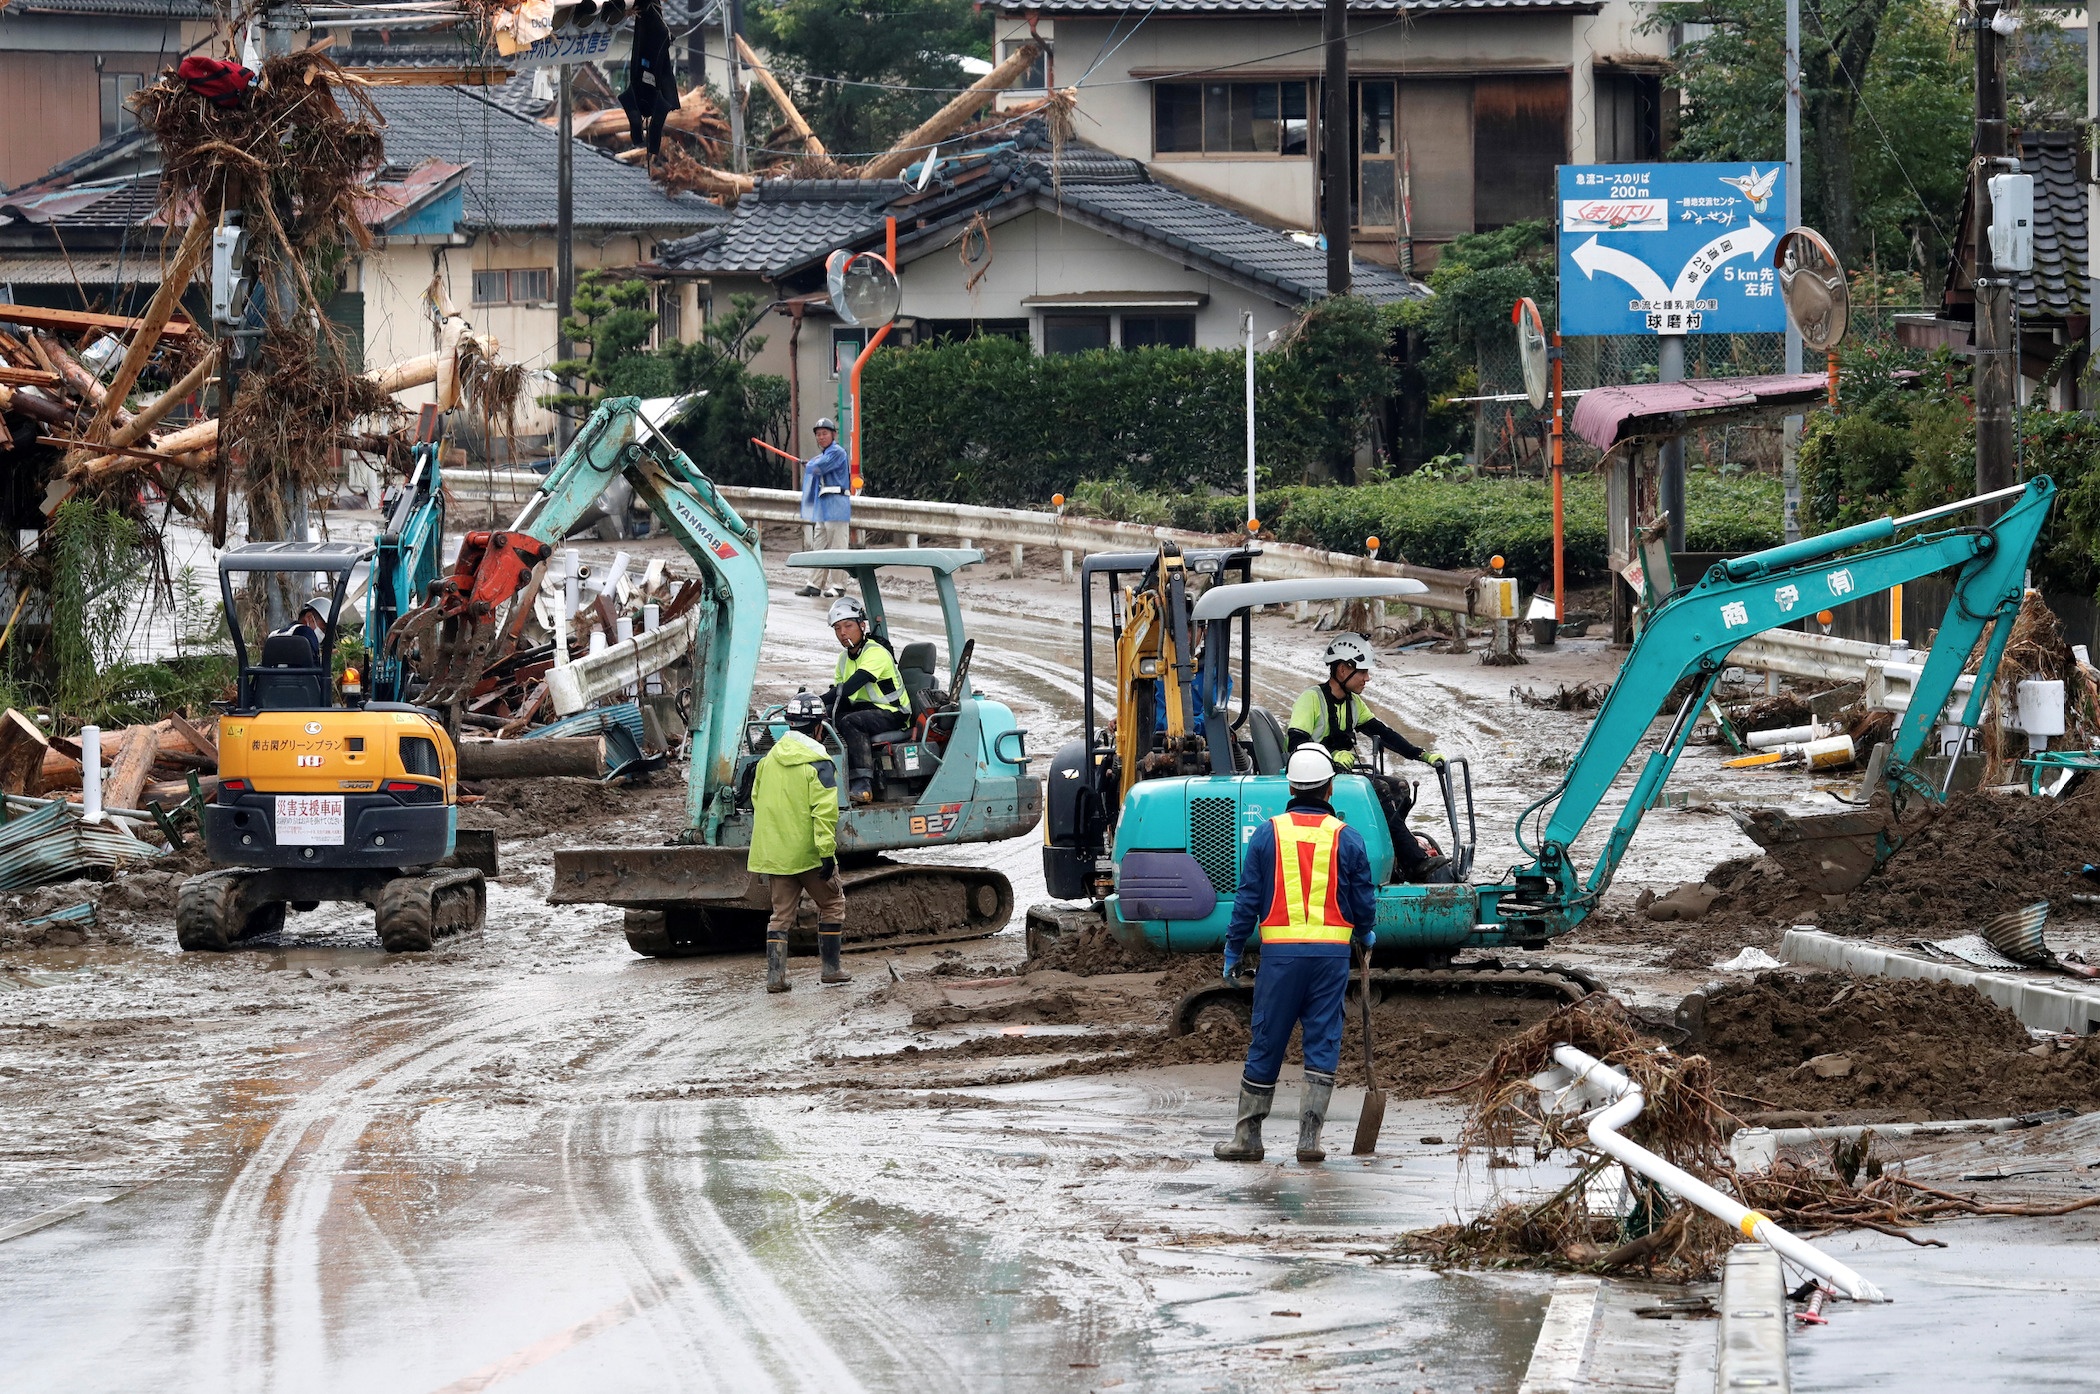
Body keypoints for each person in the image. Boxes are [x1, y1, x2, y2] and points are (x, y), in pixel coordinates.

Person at [1214, 744, 1377, 1165]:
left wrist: (1233, 948)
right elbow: (1363, 898)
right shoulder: (1347, 837)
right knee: (1323, 1040)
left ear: (1290, 787)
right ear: (1329, 789)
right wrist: (1366, 932)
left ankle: (1248, 1138)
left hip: (1280, 958)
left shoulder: (1269, 832)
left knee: (1267, 1039)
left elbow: (1247, 898)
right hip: (1331, 959)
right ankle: (1309, 1140)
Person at [1287, 633, 1448, 882]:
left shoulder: (1353, 703)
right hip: (1315, 781)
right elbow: (1296, 743)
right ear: (1342, 670)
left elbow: (1383, 733)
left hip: (1337, 774)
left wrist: (1420, 754)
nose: (1367, 678)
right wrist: (1330, 757)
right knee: (1379, 789)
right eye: (1362, 672)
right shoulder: (1311, 700)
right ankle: (1415, 862)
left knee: (1400, 788)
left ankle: (1394, 853)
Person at [747, 690, 851, 992]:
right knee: (832, 904)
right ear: (819, 728)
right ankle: (831, 970)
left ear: (789, 724)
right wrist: (826, 855)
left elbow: (757, 802)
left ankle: (775, 978)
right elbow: (825, 814)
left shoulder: (767, 762)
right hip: (808, 854)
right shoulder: (819, 762)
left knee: (780, 916)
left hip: (776, 855)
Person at [821, 595, 908, 804]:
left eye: (848, 625)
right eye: (837, 628)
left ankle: (863, 785)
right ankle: (830, 778)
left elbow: (851, 686)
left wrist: (816, 700)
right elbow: (839, 696)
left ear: (862, 625)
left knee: (850, 721)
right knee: (828, 718)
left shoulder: (876, 653)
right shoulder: (843, 659)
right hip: (865, 710)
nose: (842, 633)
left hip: (893, 713)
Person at [797, 417, 852, 598]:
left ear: (833, 434)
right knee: (819, 545)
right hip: (823, 505)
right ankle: (814, 584)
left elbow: (820, 466)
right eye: (818, 434)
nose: (821, 437)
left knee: (837, 547)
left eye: (824, 433)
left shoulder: (837, 452)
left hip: (836, 504)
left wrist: (810, 464)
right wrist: (811, 463)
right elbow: (818, 464)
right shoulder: (824, 455)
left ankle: (838, 585)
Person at [273, 597, 331, 667]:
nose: (323, 634)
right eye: (323, 629)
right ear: (309, 618)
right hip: (294, 678)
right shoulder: (305, 632)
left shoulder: (275, 634)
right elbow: (314, 671)